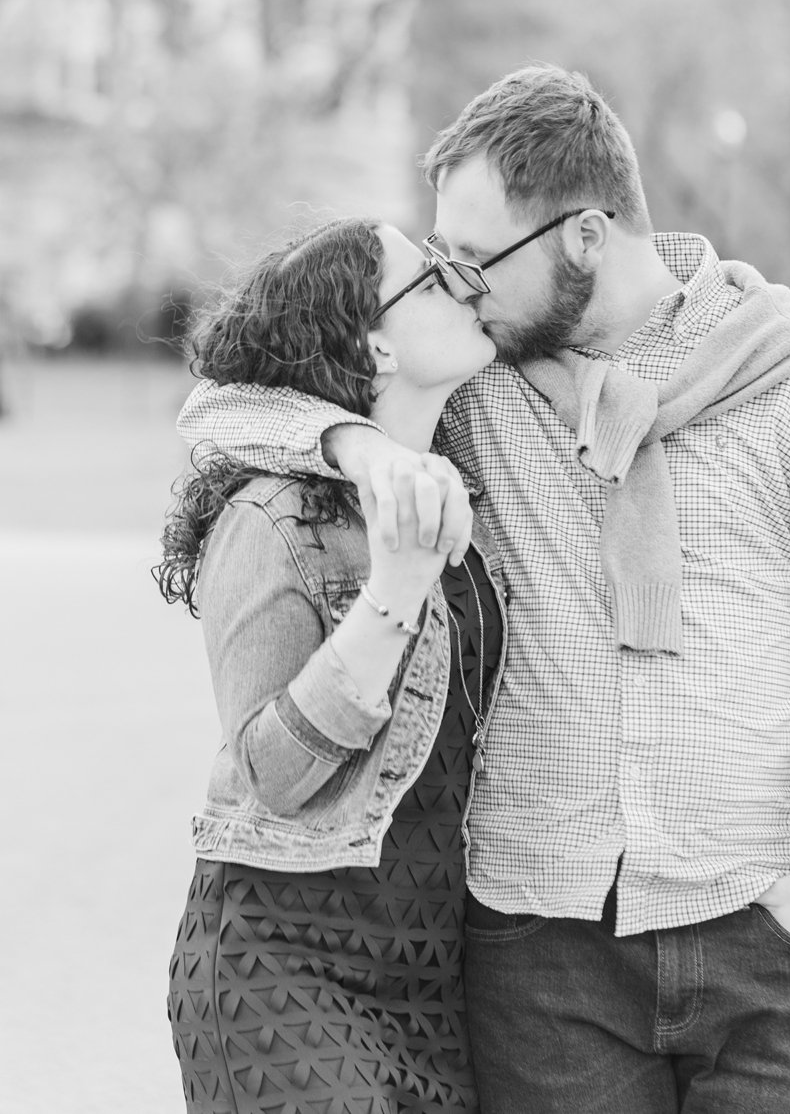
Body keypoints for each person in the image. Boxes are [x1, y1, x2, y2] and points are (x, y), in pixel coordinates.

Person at [177, 67, 790, 1114]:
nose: (460, 286)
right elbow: (224, 406)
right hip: (542, 943)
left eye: (477, 260)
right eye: (444, 264)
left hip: (758, 928)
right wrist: (355, 447)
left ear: (582, 236)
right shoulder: (476, 380)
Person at [156, 215, 506, 1114]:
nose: (461, 285)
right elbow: (271, 769)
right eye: (429, 282)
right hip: (280, 963)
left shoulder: (462, 477)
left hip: (431, 974)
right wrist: (391, 593)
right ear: (375, 346)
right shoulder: (269, 518)